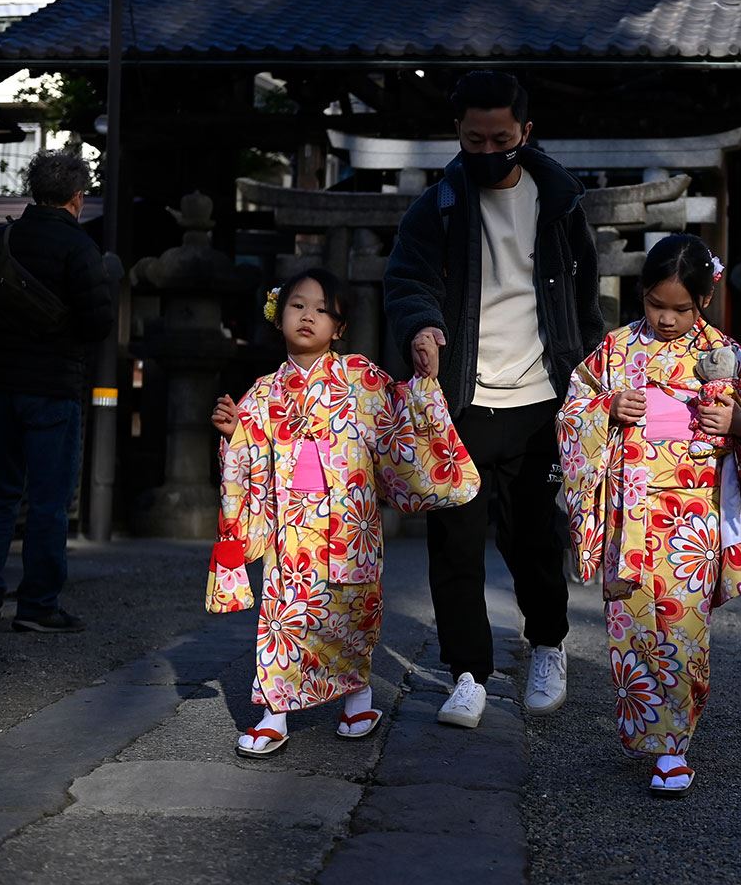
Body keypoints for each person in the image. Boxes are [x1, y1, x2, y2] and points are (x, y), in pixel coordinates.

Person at [384, 70, 605, 728]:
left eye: (500, 139)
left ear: (524, 133)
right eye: (474, 139)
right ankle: (468, 672)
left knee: (534, 538)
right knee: (455, 543)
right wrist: (422, 326)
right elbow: (408, 278)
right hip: (464, 399)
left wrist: (589, 380)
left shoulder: (560, 200)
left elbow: (585, 298)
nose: (487, 151)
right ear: (458, 133)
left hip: (542, 397)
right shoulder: (439, 206)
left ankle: (547, 643)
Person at [558, 234, 741, 797]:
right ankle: (652, 730)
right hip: (629, 512)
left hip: (693, 518)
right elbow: (572, 411)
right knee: (630, 626)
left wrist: (739, 425)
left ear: (704, 299)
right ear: (641, 296)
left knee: (684, 630)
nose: (666, 319)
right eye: (655, 306)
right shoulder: (614, 351)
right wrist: (606, 407)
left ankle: (673, 746)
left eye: (680, 309)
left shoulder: (731, 359)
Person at [208, 269, 479, 757]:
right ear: (278, 317)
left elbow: (400, 423)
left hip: (350, 524)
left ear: (339, 328)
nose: (308, 315)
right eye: (297, 305)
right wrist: (234, 435)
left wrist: (423, 382)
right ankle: (274, 713)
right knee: (283, 618)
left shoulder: (362, 378)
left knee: (351, 614)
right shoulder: (264, 391)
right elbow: (245, 463)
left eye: (322, 309)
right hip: (289, 530)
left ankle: (358, 696)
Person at [0, 150, 113, 633]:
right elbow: (97, 322)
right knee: (49, 500)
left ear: (34, 192)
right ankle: (37, 605)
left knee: (0, 491)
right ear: (76, 197)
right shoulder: (80, 248)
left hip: (1, 382)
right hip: (52, 386)